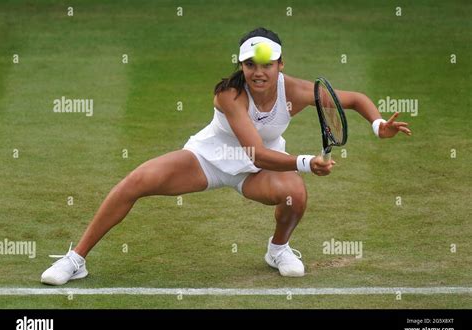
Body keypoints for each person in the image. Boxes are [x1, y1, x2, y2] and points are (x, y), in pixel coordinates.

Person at [41, 27, 411, 285]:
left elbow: (356, 99)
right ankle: (76, 260)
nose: (259, 72)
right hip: (210, 158)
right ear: (242, 66)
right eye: (251, 65)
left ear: (280, 64)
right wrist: (305, 162)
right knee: (135, 182)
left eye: (267, 64)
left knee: (294, 194)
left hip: (255, 172)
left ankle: (277, 250)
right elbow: (257, 151)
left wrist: (379, 125)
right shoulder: (229, 95)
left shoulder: (297, 91)